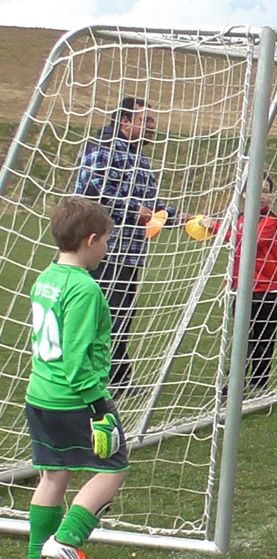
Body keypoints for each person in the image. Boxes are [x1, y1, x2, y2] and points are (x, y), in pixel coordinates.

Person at [21, 197, 131, 559]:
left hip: (40, 395)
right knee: (113, 466)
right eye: (106, 242)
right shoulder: (84, 289)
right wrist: (99, 407)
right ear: (90, 240)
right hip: (74, 398)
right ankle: (66, 542)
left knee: (53, 475)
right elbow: (77, 357)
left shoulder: (46, 277)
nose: (107, 249)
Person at [74, 96, 177, 396]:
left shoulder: (142, 161)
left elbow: (152, 207)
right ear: (125, 122)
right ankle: (93, 379)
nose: (153, 125)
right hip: (101, 251)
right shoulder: (101, 149)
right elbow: (92, 191)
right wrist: (133, 210)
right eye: (146, 120)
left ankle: (119, 379)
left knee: (121, 315)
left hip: (131, 253)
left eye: (153, 120)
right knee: (100, 315)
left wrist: (179, 217)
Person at [211, 174, 277, 393]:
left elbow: (249, 241)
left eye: (266, 191)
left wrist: (215, 227)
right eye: (256, 190)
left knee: (262, 338)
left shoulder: (269, 221)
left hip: (265, 290)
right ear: (244, 194)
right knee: (242, 337)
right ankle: (235, 382)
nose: (262, 195)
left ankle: (259, 383)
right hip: (240, 289)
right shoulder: (239, 218)